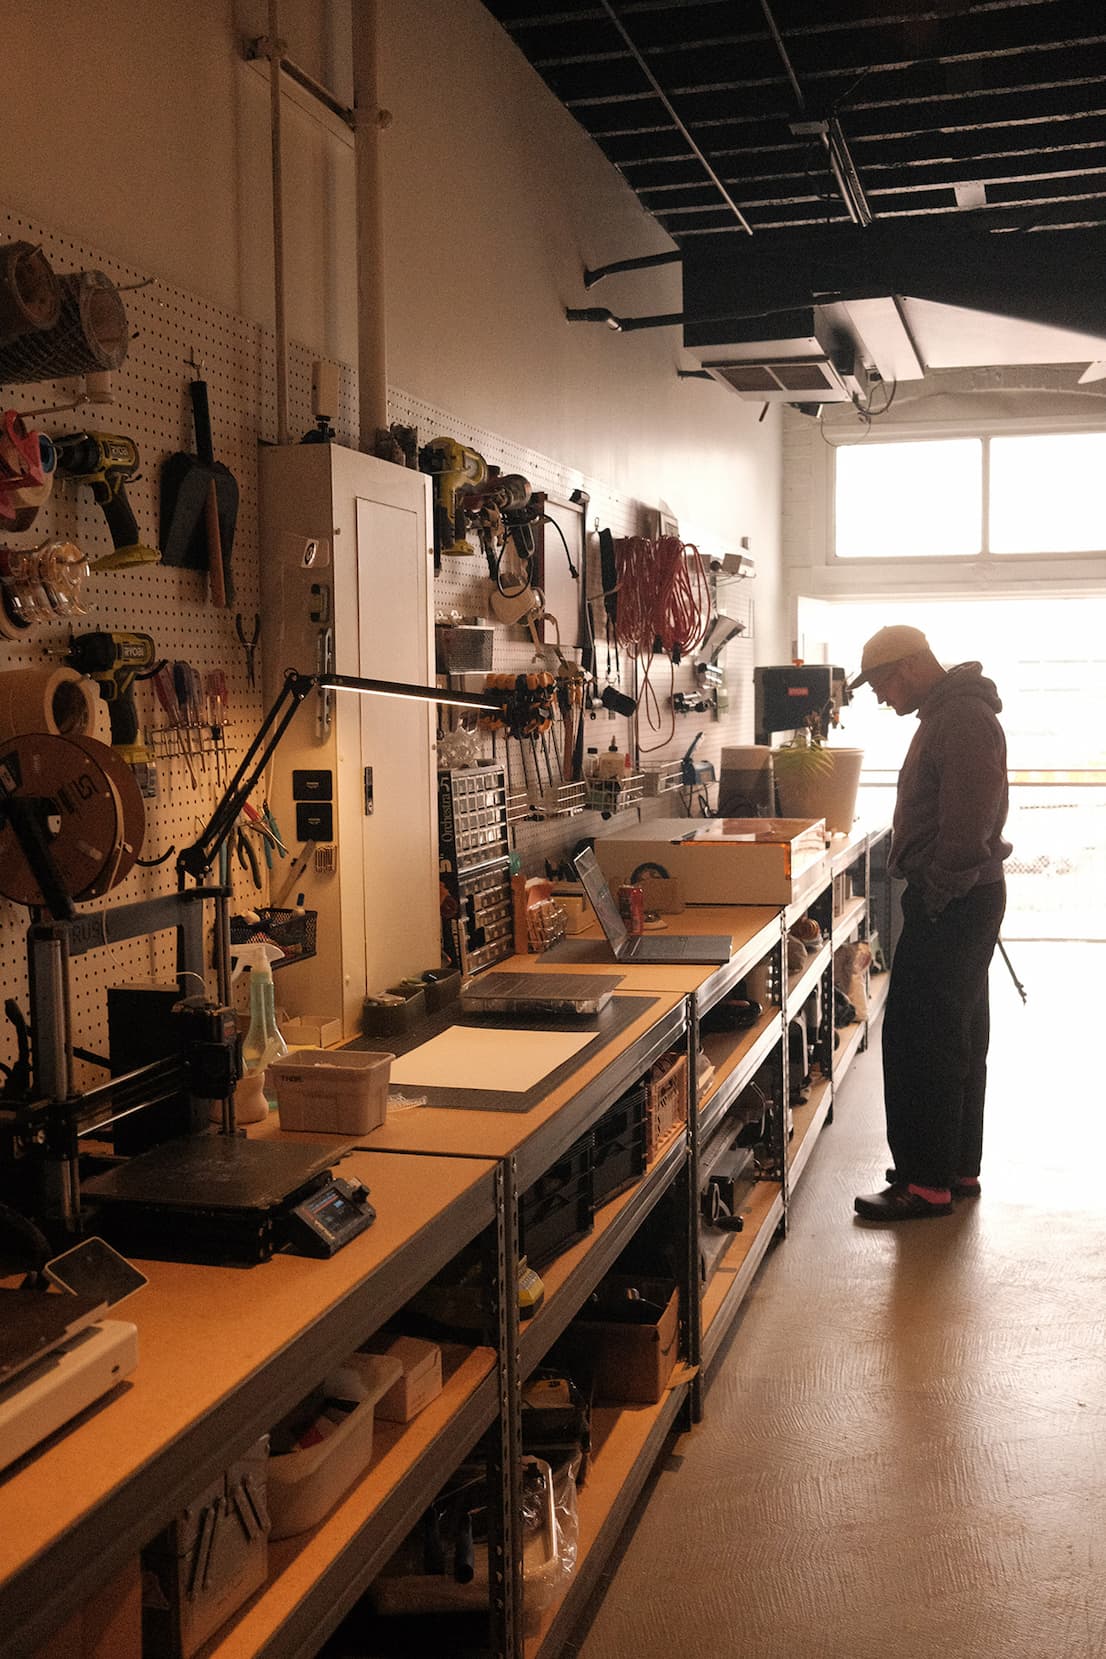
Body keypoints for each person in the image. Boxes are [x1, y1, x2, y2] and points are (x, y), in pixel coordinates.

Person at [848, 625, 1011, 1222]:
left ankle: (924, 1184)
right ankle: (954, 1169)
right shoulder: (951, 713)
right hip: (967, 898)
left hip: (955, 900)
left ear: (911, 666)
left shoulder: (962, 717)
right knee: (960, 1034)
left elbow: (968, 823)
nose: (883, 698)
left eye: (883, 684)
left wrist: (936, 894)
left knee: (920, 1039)